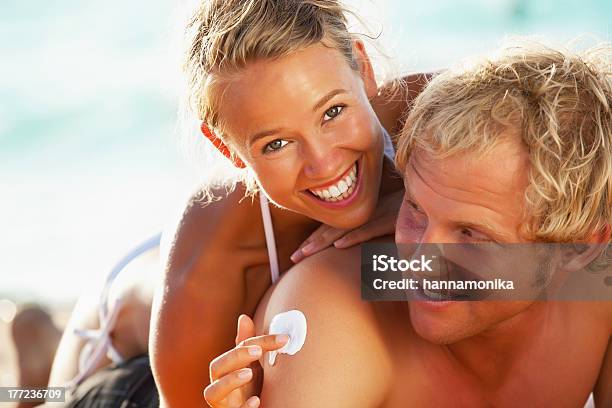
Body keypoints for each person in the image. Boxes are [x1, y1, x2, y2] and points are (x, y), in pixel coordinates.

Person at [42, 0, 429, 406]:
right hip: (121, 357)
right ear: (226, 148)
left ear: (363, 70)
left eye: (333, 112)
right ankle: (36, 350)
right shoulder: (212, 261)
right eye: (276, 143)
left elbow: (498, 273)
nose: (324, 163)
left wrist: (411, 201)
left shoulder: (435, 115)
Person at [207, 42, 612, 407]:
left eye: (470, 234)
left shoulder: (601, 288)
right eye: (414, 207)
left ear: (579, 248)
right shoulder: (334, 318)